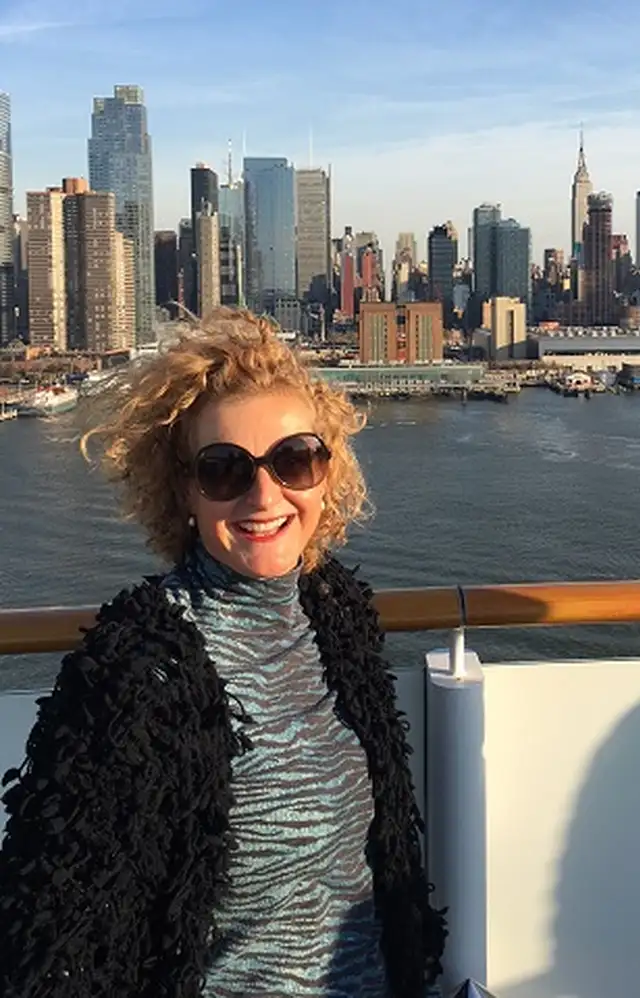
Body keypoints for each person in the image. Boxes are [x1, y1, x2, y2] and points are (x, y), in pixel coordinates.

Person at [0, 308, 446, 998]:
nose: (264, 496)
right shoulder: (140, 669)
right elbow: (54, 931)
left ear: (326, 475)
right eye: (224, 469)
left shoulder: (336, 616)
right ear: (184, 490)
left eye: (295, 459)